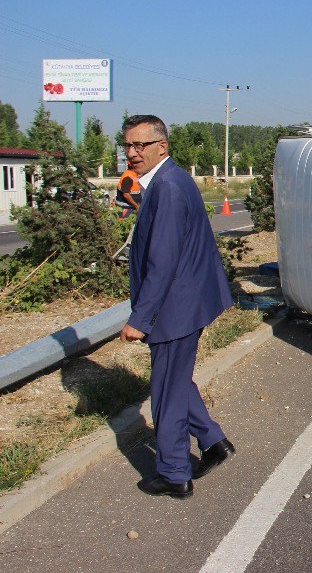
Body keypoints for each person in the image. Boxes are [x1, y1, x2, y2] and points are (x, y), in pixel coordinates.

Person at [118, 114, 235, 499]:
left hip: (174, 307)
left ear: (162, 146)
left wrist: (140, 318)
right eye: (128, 146)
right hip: (186, 300)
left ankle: (173, 472)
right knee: (176, 380)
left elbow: (162, 261)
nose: (132, 153)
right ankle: (214, 442)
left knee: (166, 390)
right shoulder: (169, 180)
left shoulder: (166, 186)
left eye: (141, 145)